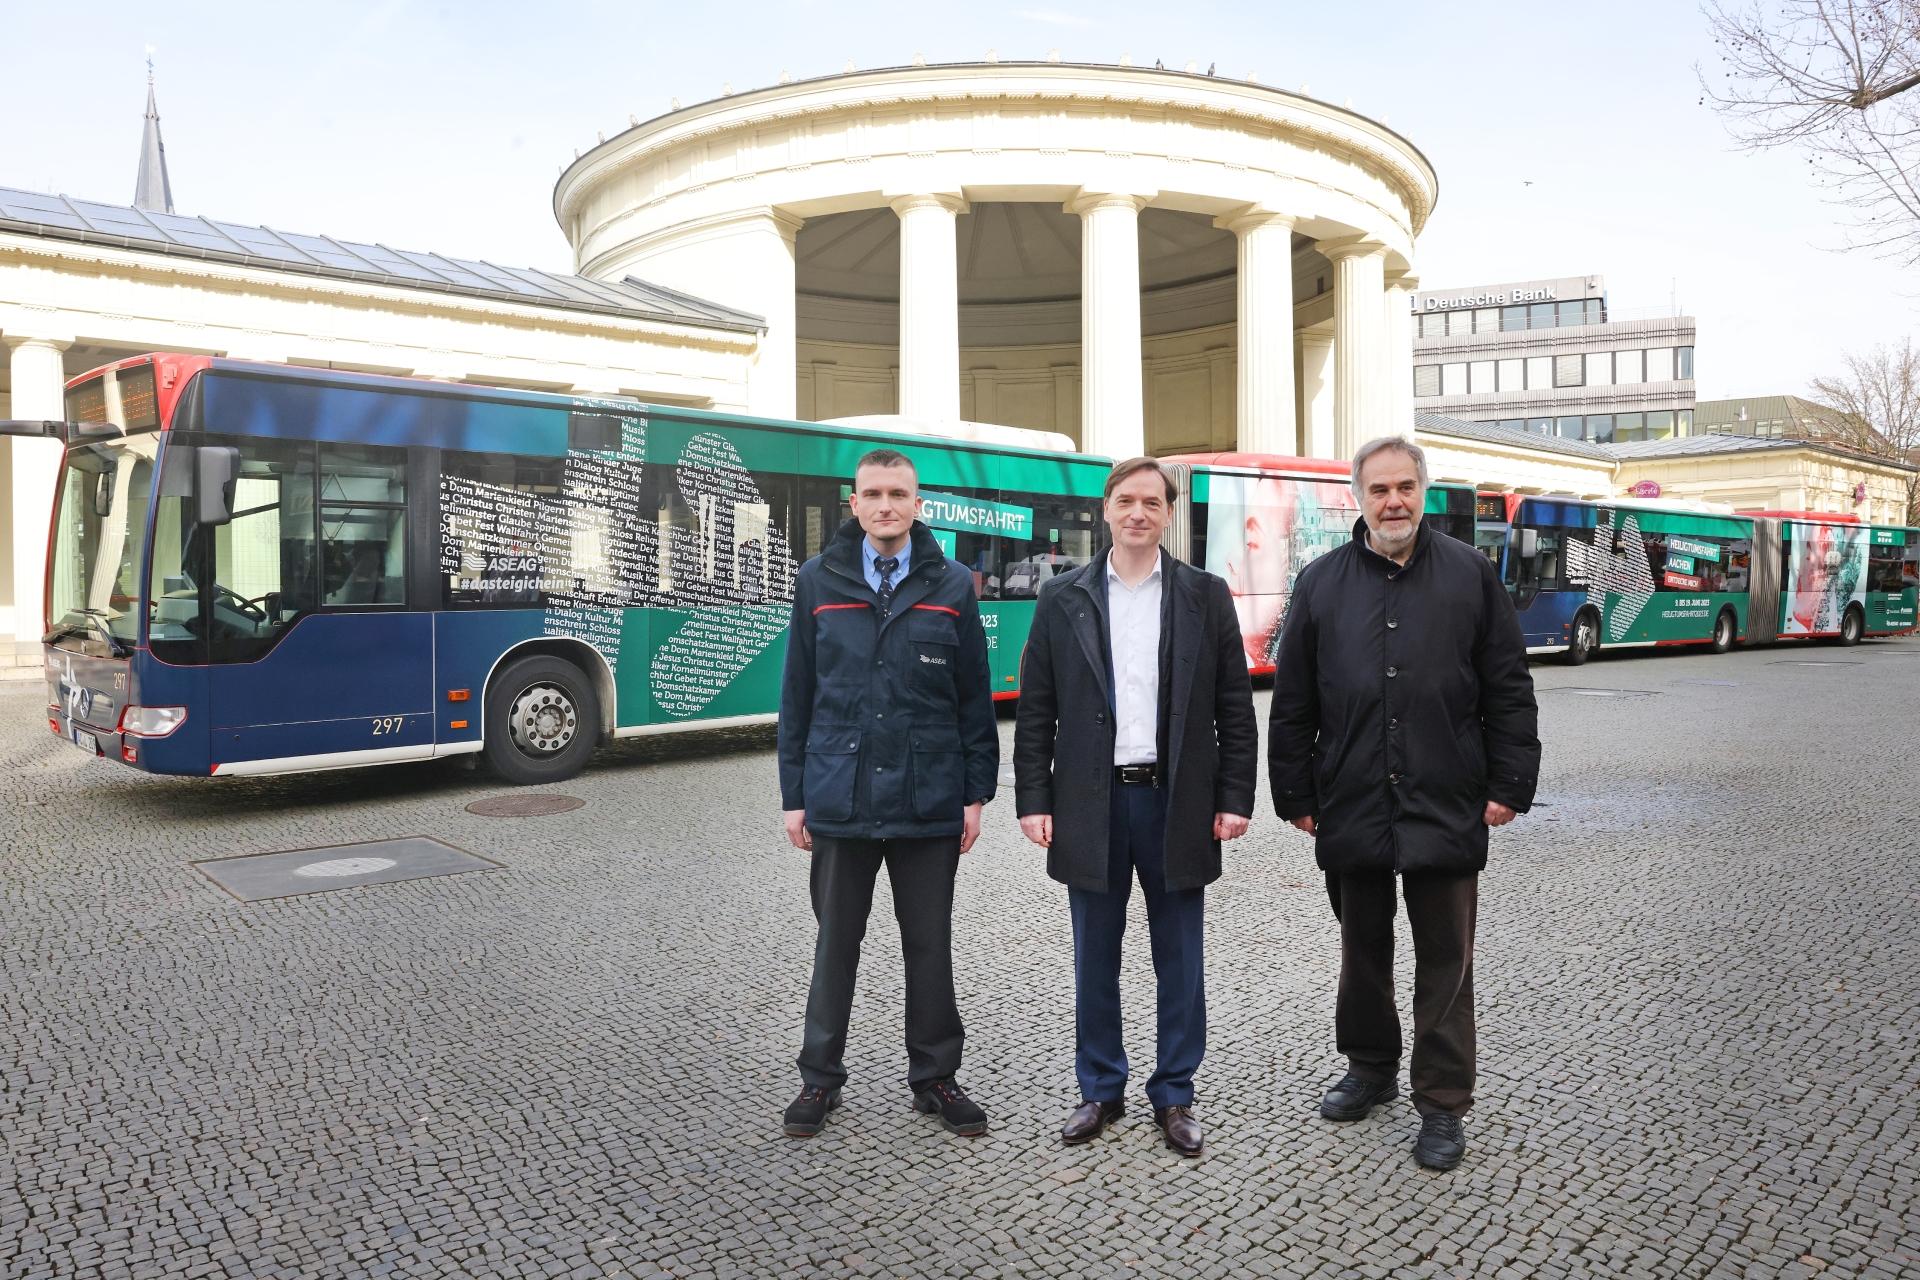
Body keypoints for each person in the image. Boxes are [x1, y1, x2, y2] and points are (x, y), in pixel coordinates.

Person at [1268, 435, 1540, 1172]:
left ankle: (1443, 1102)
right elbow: (1292, 699)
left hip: (1446, 797)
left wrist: (1510, 785)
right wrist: (1293, 790)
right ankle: (1369, 1066)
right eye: (1379, 489)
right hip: (1351, 796)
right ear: (1356, 497)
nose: (1393, 501)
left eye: (1405, 488)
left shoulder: (1471, 575)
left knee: (1446, 960)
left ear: (1424, 491)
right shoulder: (1321, 583)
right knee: (1362, 952)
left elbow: (1508, 688)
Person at [1014, 456, 1259, 1157]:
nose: (1138, 513)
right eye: (1126, 500)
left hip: (1176, 801)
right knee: (1095, 956)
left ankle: (1175, 1093)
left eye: (1152, 502)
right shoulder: (1063, 597)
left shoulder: (1203, 596)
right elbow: (1037, 710)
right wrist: (1034, 797)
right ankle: (1100, 1087)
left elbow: (1233, 711)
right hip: (1090, 804)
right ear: (1106, 509)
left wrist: (1234, 797)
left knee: (1179, 957)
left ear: (1169, 513)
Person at [776, 448, 999, 1139]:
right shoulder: (818, 580)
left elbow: (973, 700)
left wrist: (975, 792)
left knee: (929, 944)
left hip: (929, 797)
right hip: (840, 795)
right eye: (872, 493)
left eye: (898, 493)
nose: (885, 505)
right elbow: (798, 695)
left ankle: (935, 1075)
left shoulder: (954, 584)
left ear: (917, 504)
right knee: (835, 943)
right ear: (855, 505)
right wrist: (794, 795)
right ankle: (820, 1079)